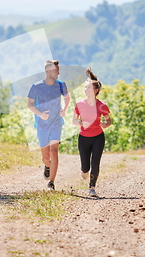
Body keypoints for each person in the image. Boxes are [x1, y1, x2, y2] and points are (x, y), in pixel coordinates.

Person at [27, 60, 70, 190]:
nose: (58, 73)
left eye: (58, 70)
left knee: (54, 152)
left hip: (56, 123)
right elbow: (30, 104)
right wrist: (41, 115)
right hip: (42, 125)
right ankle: (47, 166)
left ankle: (51, 183)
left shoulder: (61, 85)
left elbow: (67, 98)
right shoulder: (36, 86)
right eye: (56, 70)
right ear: (47, 71)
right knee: (46, 157)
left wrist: (64, 109)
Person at [72, 68, 111, 197]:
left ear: (96, 90)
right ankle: (84, 172)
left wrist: (105, 124)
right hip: (83, 138)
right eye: (85, 88)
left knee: (95, 163)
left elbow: (108, 121)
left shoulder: (101, 105)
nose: (86, 90)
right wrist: (82, 124)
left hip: (98, 137)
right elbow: (74, 121)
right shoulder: (79, 104)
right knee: (85, 167)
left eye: (89, 88)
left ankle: (92, 188)